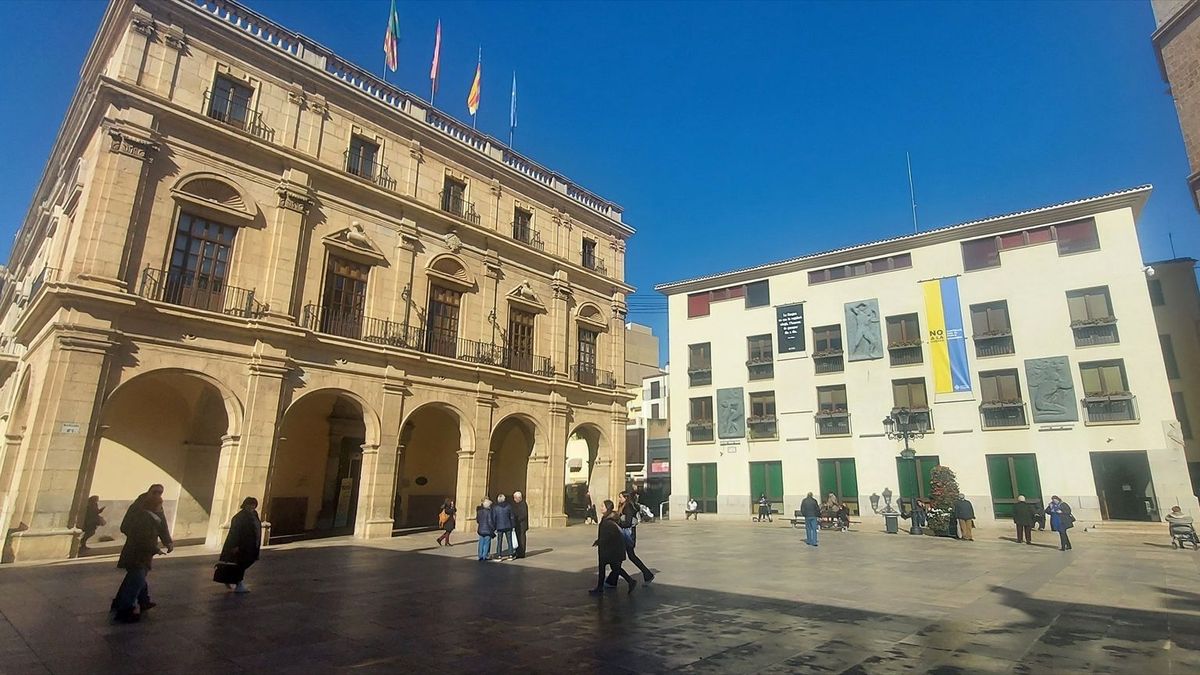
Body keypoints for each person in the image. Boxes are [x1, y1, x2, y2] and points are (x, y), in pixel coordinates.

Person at [112, 493, 168, 623]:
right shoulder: (146, 520)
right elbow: (143, 539)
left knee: (136, 581)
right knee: (135, 583)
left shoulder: (145, 517)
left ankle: (134, 603)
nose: (161, 508)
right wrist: (156, 549)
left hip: (136, 556)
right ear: (155, 506)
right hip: (138, 556)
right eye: (160, 505)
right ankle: (124, 611)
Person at [607, 491, 654, 585]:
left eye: (620, 497)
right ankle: (647, 574)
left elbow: (628, 522)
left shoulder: (628, 507)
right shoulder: (625, 506)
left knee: (622, 557)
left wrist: (617, 523)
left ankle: (613, 581)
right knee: (628, 556)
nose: (619, 499)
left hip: (627, 534)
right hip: (627, 534)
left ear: (626, 498)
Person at [590, 499, 636, 595]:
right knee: (615, 568)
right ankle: (630, 581)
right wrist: (599, 541)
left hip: (610, 549)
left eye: (603, 506)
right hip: (610, 549)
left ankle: (600, 588)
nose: (601, 508)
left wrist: (601, 541)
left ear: (607, 508)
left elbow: (610, 536)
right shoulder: (607, 519)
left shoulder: (609, 521)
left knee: (604, 568)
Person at [219, 497, 261, 593]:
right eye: (250, 504)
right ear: (245, 505)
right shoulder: (239, 517)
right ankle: (238, 583)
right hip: (242, 545)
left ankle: (229, 578)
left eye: (254, 505)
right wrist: (235, 545)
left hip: (251, 544)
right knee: (241, 564)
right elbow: (234, 533)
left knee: (247, 562)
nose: (252, 506)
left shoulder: (254, 515)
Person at [122, 484, 174, 554]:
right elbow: (125, 527)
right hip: (133, 551)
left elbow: (162, 526)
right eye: (154, 492)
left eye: (160, 493)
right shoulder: (137, 508)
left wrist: (168, 542)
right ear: (149, 492)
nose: (157, 495)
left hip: (148, 553)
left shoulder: (158, 506)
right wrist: (153, 548)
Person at [493, 494, 515, 560]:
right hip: (508, 526)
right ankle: (510, 554)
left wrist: (494, 526)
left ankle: (499, 555)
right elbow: (512, 516)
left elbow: (494, 518)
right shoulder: (509, 506)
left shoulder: (496, 507)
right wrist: (513, 525)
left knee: (499, 541)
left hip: (499, 526)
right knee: (509, 540)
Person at [512, 491, 530, 559]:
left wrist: (517, 519)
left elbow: (523, 515)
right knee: (518, 539)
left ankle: (521, 553)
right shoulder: (518, 504)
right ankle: (518, 552)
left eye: (515, 498)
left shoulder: (523, 504)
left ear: (519, 498)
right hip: (518, 525)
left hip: (522, 525)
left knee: (521, 539)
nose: (514, 499)